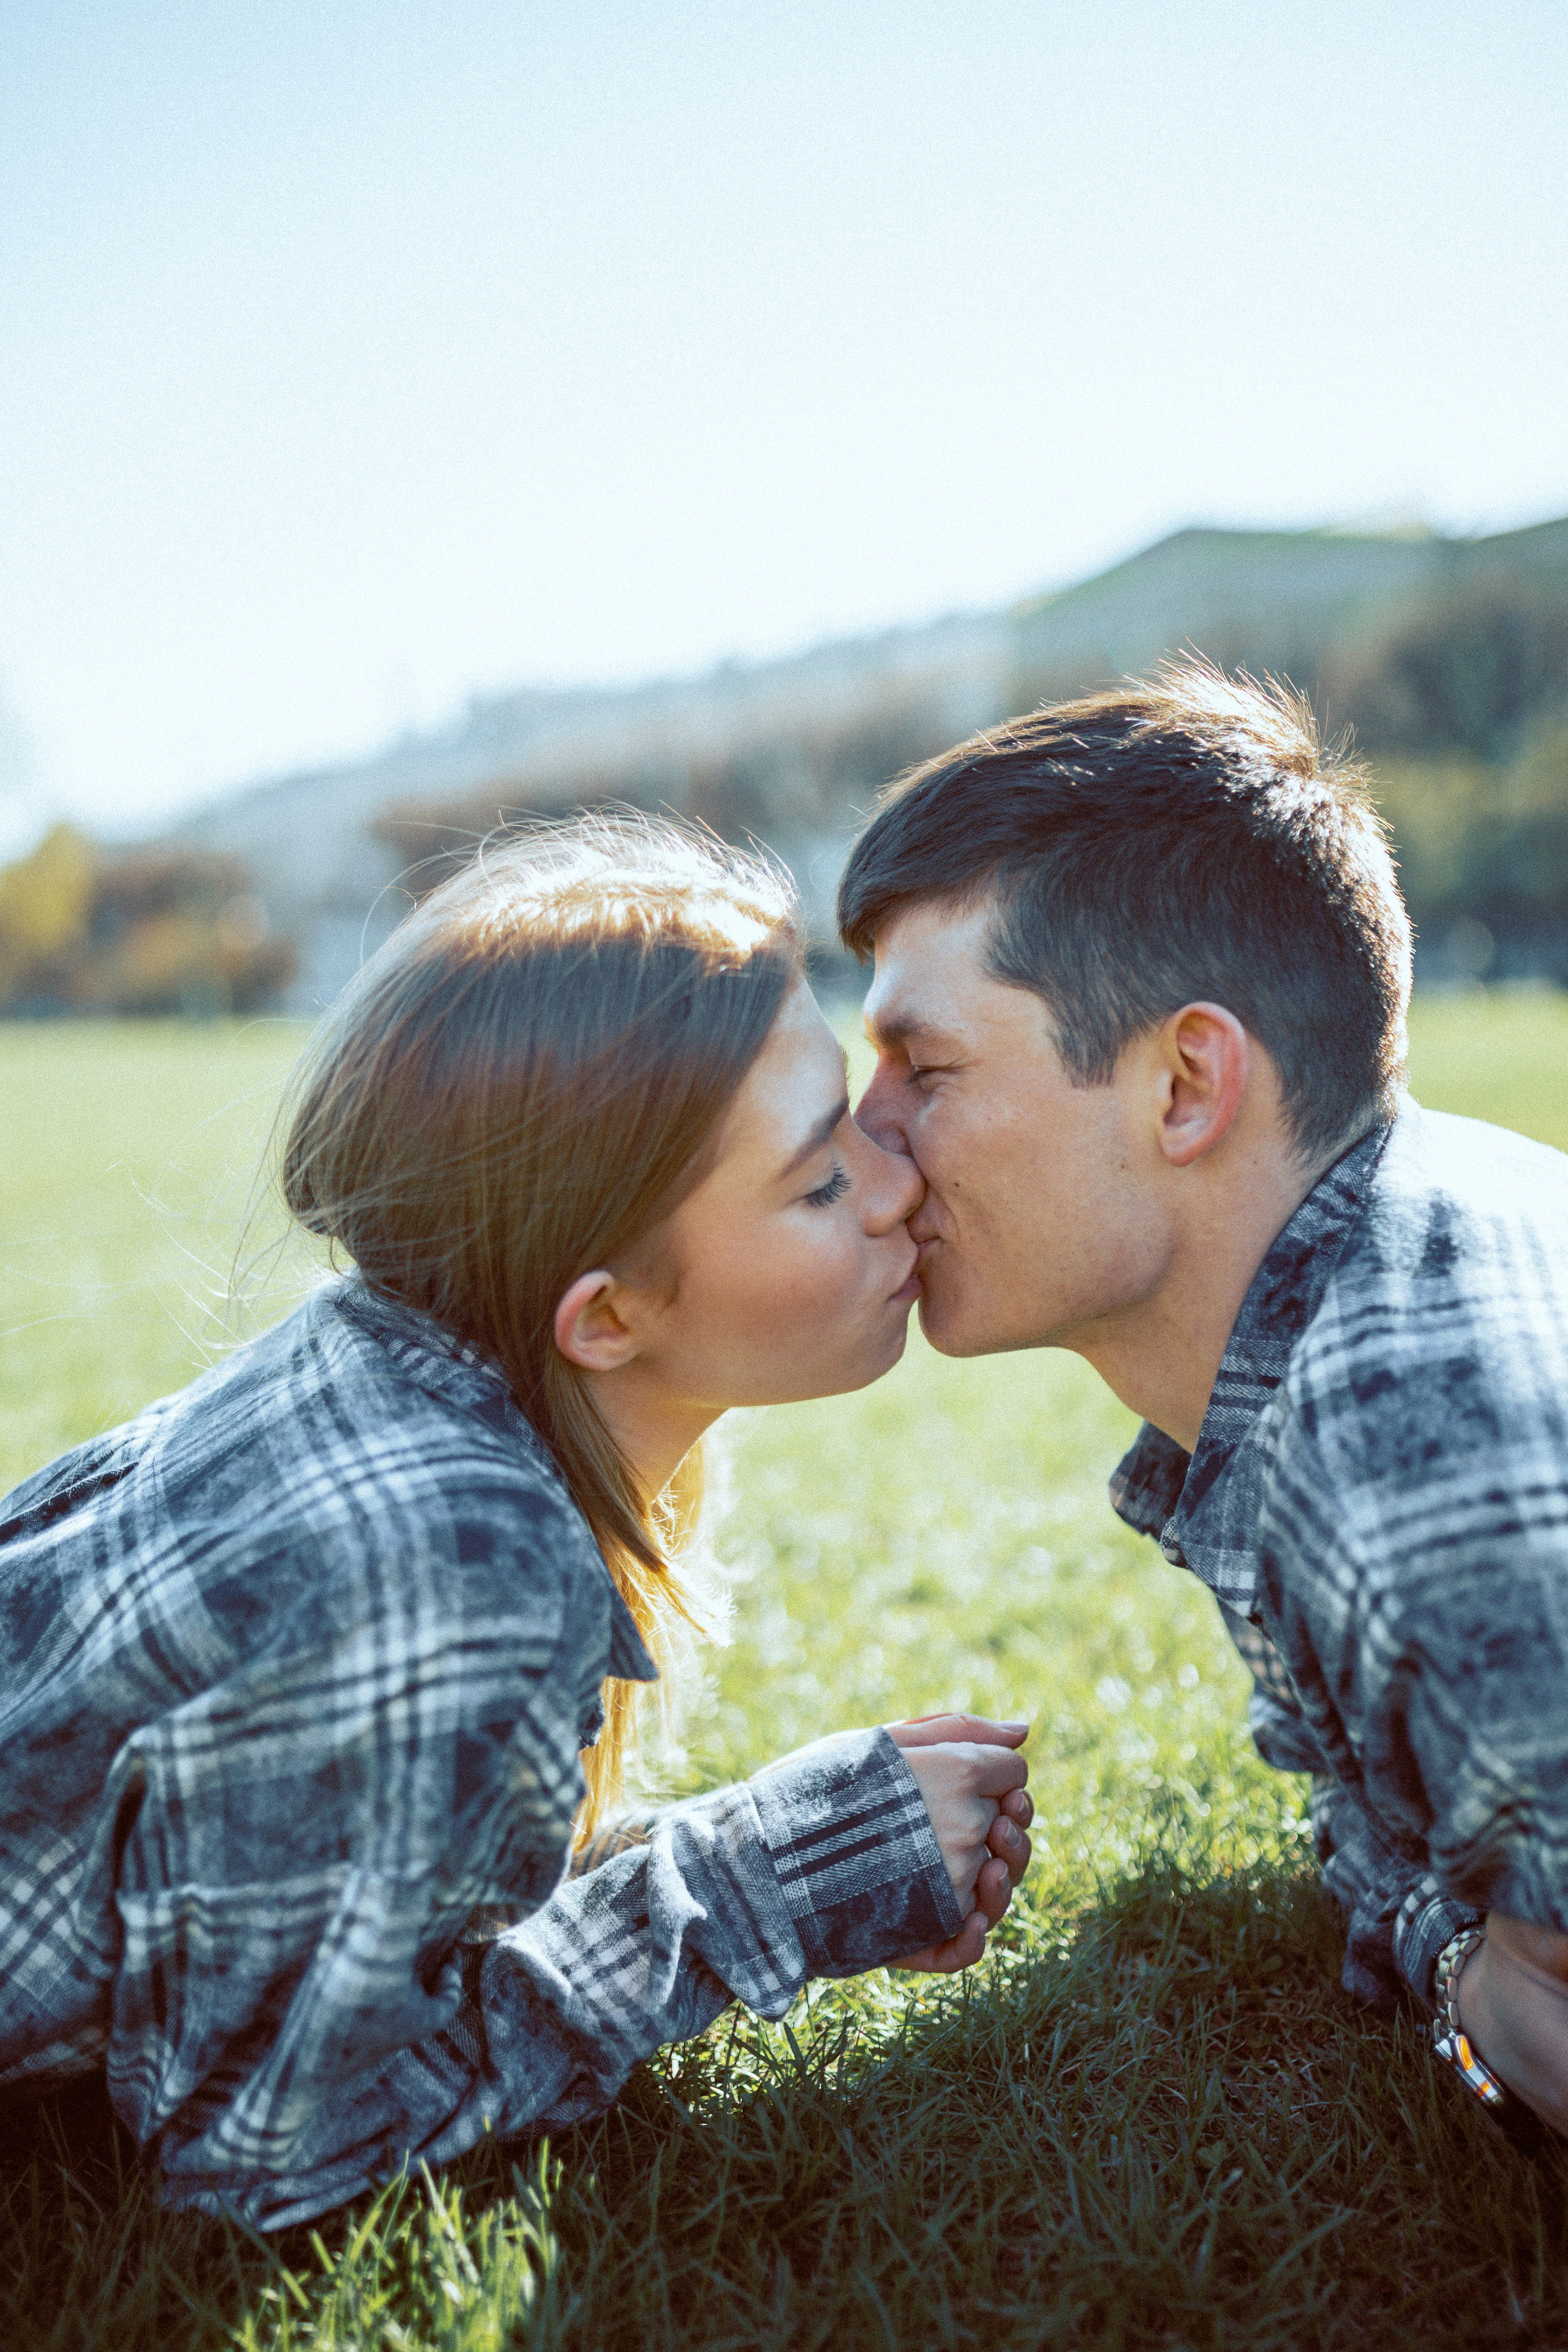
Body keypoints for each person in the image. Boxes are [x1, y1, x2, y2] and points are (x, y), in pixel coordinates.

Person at [0, 820, 1033, 2230]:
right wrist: (768, 1882)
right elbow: (272, 2148)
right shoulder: (454, 1555)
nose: (898, 1180)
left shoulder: (383, 1369)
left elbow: (397, 1927)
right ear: (601, 1317)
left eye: (849, 1119)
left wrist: (817, 1841)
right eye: (816, 1180)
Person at [837, 660, 1568, 2145]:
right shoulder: (1419, 1228)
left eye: (922, 1066)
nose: (866, 1146)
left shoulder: (1409, 1439)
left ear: (1182, 1084)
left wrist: (1430, 1944)